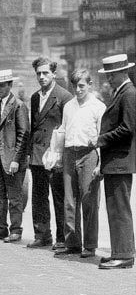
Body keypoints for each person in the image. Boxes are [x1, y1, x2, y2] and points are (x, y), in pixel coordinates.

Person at [50, 69, 105, 259]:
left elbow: (102, 138)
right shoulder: (69, 106)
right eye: (75, 86)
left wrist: (100, 164)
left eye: (82, 85)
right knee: (69, 201)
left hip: (88, 154)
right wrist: (57, 155)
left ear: (90, 85)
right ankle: (72, 242)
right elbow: (63, 131)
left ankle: (90, 245)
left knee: (89, 200)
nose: (78, 90)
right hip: (69, 153)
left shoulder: (98, 107)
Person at [92, 54, 135, 269]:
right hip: (116, 161)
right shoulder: (122, 92)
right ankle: (119, 251)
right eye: (107, 75)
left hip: (120, 161)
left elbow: (127, 129)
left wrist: (100, 139)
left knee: (120, 209)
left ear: (122, 72)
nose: (108, 79)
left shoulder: (128, 94)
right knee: (115, 209)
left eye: (111, 75)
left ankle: (125, 255)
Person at [26, 57, 73, 250]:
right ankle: (42, 235)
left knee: (59, 197)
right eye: (38, 73)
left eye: (46, 73)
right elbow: (34, 128)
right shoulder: (35, 97)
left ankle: (62, 239)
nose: (42, 77)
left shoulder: (64, 97)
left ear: (54, 73)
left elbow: (67, 128)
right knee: (39, 197)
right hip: (38, 155)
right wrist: (30, 153)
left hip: (55, 155)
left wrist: (61, 156)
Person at [0, 70, 29, 244]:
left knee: (14, 195)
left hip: (11, 158)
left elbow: (23, 134)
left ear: (10, 86)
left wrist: (16, 159)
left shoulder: (17, 105)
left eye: (2, 85)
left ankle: (16, 230)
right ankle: (0, 228)